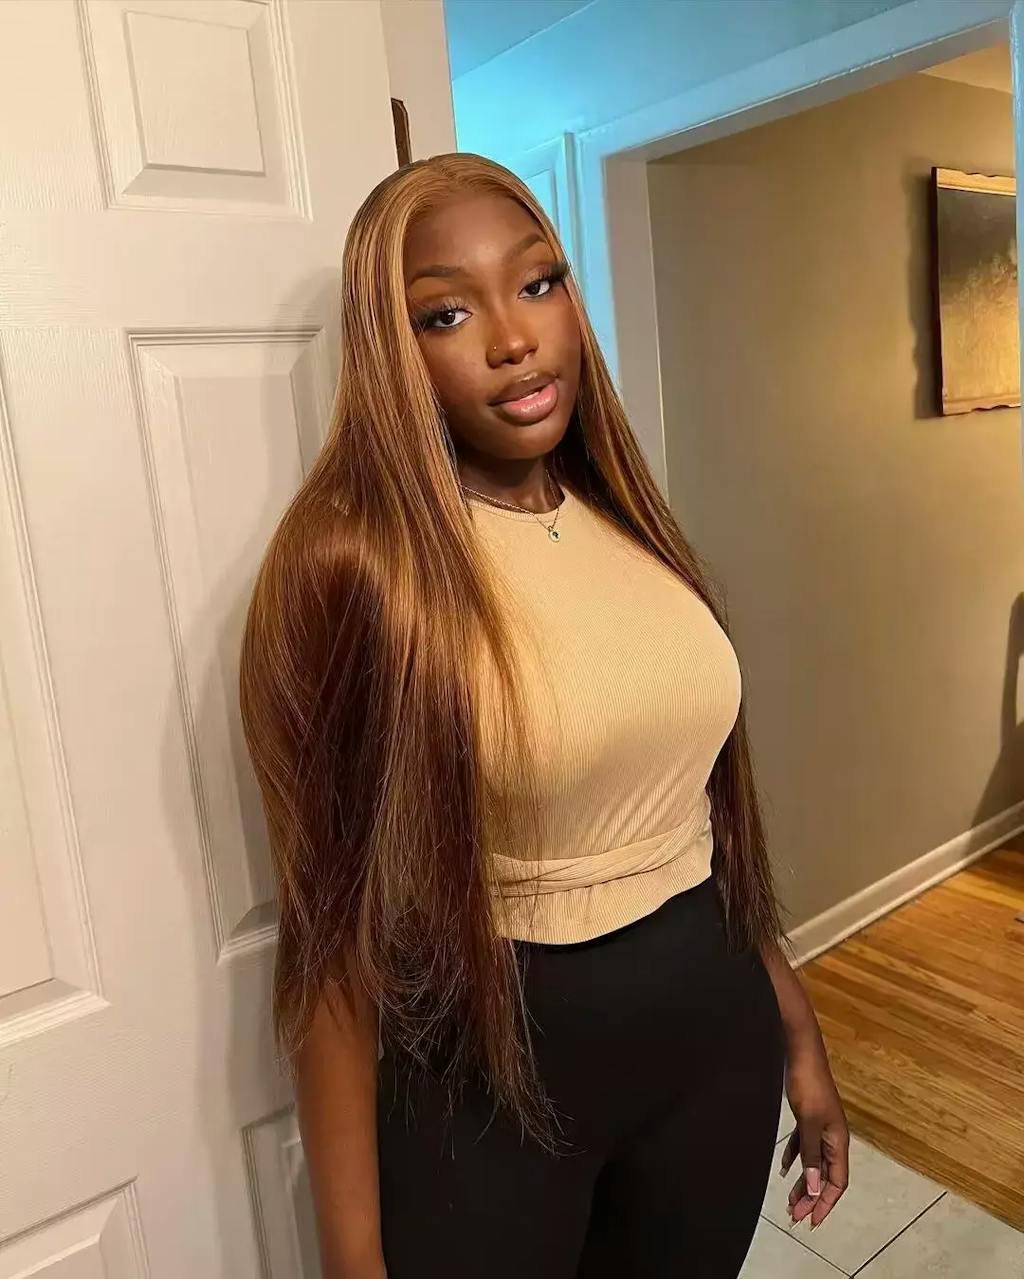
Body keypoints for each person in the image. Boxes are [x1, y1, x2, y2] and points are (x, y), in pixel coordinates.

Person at [239, 152, 849, 1279]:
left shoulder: (625, 514)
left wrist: (800, 1039)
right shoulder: (353, 565)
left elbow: (704, 826)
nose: (514, 339)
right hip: (494, 1081)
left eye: (538, 283)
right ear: (389, 349)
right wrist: (353, 1261)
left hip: (714, 1047)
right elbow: (331, 951)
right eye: (445, 312)